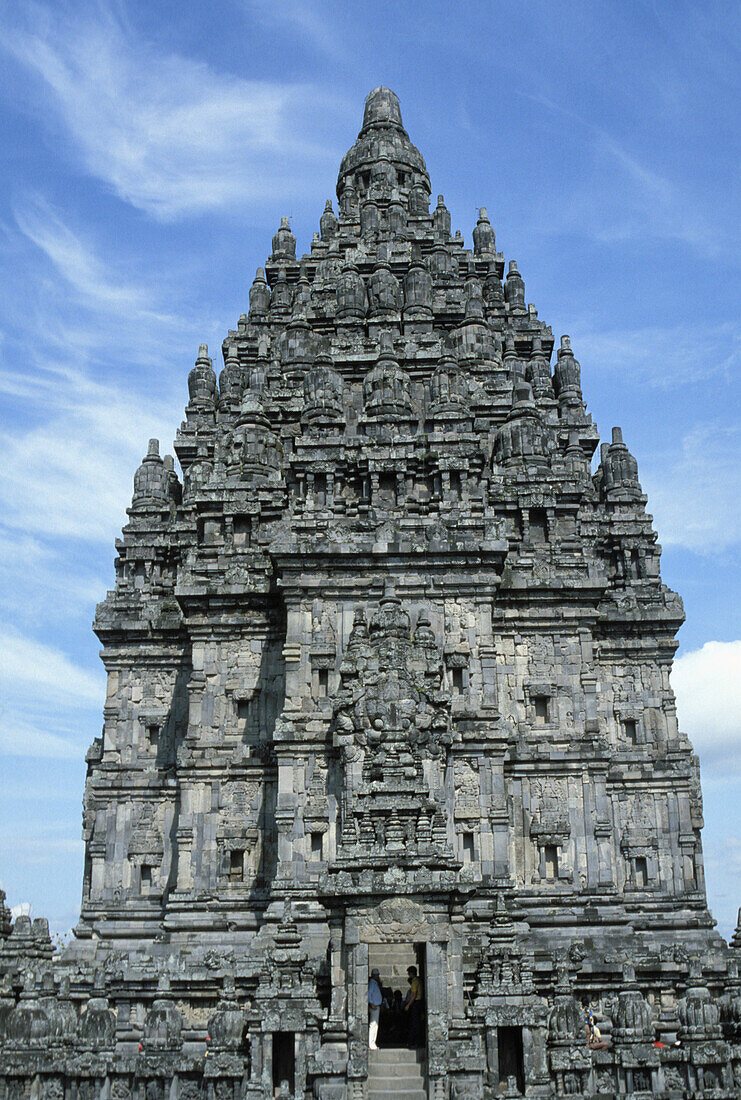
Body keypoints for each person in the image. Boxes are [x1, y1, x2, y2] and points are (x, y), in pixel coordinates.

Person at [404, 965, 424, 1048]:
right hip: (419, 1003)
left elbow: (413, 995)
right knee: (417, 1023)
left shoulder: (415, 981)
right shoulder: (418, 980)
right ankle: (416, 1042)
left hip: (416, 1003)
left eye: (409, 973)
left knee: (414, 1023)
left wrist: (408, 1005)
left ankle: (414, 1042)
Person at [368, 968, 383, 1050]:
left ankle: (373, 1042)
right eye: (377, 975)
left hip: (376, 1005)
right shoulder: (372, 984)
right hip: (374, 1006)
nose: (378, 976)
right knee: (373, 1024)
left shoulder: (375, 983)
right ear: (374, 975)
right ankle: (371, 1043)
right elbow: (369, 994)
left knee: (375, 1025)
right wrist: (371, 1003)